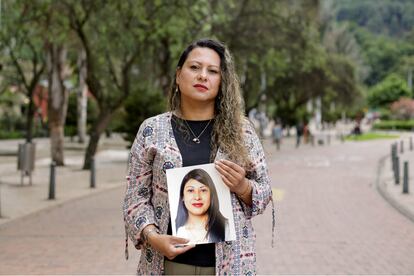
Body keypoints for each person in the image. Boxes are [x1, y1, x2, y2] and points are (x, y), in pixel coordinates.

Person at [123, 38, 273, 275]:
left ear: (222, 82)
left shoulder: (241, 131)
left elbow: (264, 192)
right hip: (167, 265)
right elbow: (135, 198)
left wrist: (243, 186)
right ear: (178, 75)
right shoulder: (152, 130)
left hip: (230, 265)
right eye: (194, 67)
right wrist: (153, 236)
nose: (203, 76)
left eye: (212, 71)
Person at [175, 169, 228, 244]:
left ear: (211, 195)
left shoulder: (227, 228)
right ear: (182, 196)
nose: (197, 197)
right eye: (190, 190)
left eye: (203, 190)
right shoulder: (177, 232)